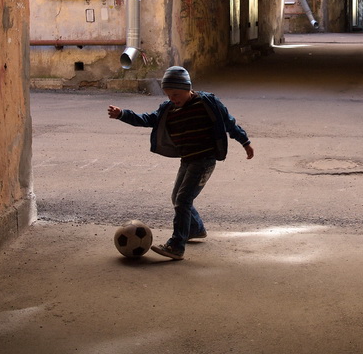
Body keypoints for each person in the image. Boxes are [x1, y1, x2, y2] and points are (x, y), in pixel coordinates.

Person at [107, 66, 254, 260]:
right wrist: (123, 114)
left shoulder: (207, 103)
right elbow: (147, 119)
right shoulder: (169, 109)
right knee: (177, 197)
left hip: (204, 160)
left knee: (183, 200)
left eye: (176, 94)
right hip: (187, 159)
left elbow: (229, 123)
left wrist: (245, 142)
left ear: (188, 88)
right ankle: (196, 229)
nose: (173, 99)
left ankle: (176, 245)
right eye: (169, 95)